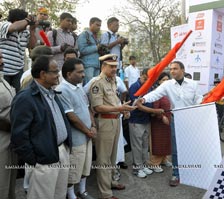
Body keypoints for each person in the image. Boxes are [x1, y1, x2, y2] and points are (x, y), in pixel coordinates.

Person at [10, 55, 72, 199]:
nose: (58, 75)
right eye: (55, 71)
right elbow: (19, 136)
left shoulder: (52, 91)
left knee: (59, 195)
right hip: (43, 160)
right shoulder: (25, 98)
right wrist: (34, 161)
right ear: (43, 74)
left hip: (61, 152)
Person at [138, 61, 203, 187]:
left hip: (192, 120)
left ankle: (190, 171)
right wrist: (144, 99)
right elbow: (155, 94)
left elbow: (198, 98)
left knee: (191, 147)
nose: (172, 71)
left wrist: (202, 103)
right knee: (176, 149)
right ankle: (176, 174)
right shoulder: (167, 85)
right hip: (176, 120)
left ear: (182, 70)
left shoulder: (193, 84)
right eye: (171, 69)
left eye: (175, 68)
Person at [89, 54, 136, 199]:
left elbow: (113, 102)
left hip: (115, 120)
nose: (114, 69)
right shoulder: (97, 82)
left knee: (112, 156)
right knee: (103, 158)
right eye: (111, 66)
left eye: (116, 66)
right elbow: (97, 107)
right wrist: (120, 108)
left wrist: (123, 109)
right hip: (104, 122)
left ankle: (110, 182)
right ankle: (105, 193)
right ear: (103, 67)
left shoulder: (113, 80)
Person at [56, 58, 96, 199]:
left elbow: (87, 108)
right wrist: (88, 131)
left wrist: (93, 126)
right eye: (79, 72)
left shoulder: (79, 87)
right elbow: (71, 117)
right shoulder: (62, 90)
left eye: (83, 71)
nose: (83, 75)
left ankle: (83, 191)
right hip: (77, 138)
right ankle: (71, 195)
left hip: (87, 136)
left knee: (85, 166)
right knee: (74, 169)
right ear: (68, 74)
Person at [128, 68, 156, 178]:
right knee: (137, 146)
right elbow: (138, 105)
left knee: (145, 145)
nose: (147, 80)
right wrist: (154, 111)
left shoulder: (149, 86)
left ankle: (144, 165)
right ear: (141, 75)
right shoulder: (134, 86)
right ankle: (137, 168)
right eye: (145, 78)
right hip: (136, 120)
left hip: (146, 120)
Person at [0, 8, 37, 92]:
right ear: (16, 20)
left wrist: (32, 30)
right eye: (25, 21)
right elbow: (14, 27)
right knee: (4, 96)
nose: (27, 24)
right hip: (3, 71)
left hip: (18, 71)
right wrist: (28, 19)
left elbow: (32, 46)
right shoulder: (4, 25)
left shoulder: (25, 32)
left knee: (18, 96)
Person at [0, 50, 17, 199]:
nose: (2, 60)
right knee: (2, 181)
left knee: (10, 180)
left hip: (11, 139)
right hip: (2, 138)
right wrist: (14, 127)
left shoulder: (3, 79)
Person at [148, 72, 172, 172]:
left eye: (167, 80)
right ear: (159, 81)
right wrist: (162, 117)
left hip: (168, 120)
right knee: (158, 142)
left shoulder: (170, 91)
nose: (165, 82)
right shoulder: (157, 92)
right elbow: (155, 108)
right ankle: (154, 163)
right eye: (163, 80)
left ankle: (164, 159)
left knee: (166, 141)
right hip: (158, 122)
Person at [78, 17, 102, 84]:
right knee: (89, 86)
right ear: (91, 24)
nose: (99, 27)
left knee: (95, 87)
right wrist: (96, 47)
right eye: (97, 25)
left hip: (97, 64)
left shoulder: (97, 37)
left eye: (100, 25)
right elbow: (82, 50)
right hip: (88, 65)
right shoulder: (84, 35)